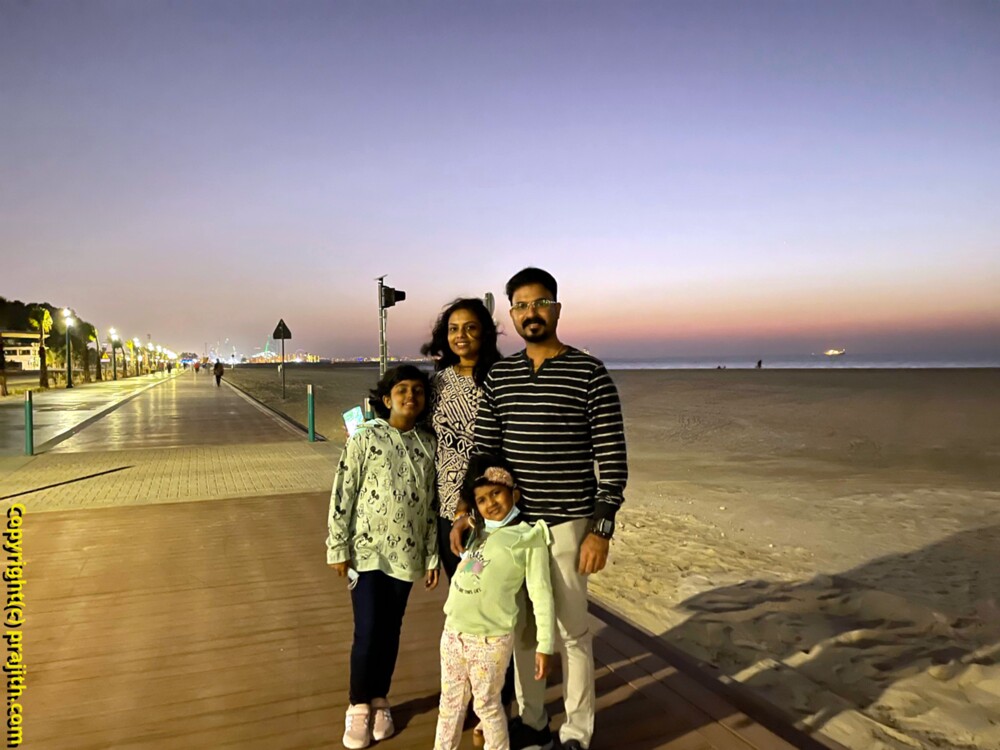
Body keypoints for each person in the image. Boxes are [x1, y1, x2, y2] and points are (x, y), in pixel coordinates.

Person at [452, 267, 628, 750]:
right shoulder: (501, 377)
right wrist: (468, 512)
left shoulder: (590, 374)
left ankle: (577, 733)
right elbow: (484, 453)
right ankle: (533, 722)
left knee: (572, 631)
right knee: (524, 630)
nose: (531, 313)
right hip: (512, 529)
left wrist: (601, 529)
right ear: (512, 315)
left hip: (569, 524)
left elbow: (612, 458)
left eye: (540, 303)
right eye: (522, 305)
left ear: (556, 309)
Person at [326, 365, 440, 750]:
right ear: (387, 399)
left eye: (418, 391)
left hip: (407, 554)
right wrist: (337, 546)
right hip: (366, 553)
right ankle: (358, 703)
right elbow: (343, 491)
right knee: (368, 629)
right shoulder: (365, 437)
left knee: (391, 630)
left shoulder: (428, 445)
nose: (411, 396)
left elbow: (430, 505)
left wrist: (431, 555)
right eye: (402, 390)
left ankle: (380, 698)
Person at [434, 454, 554, 750]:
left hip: (489, 641)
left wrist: (545, 645)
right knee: (449, 705)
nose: (491, 503)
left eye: (496, 493)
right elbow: (475, 572)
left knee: (486, 706)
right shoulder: (479, 532)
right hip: (453, 633)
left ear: (515, 493)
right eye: (482, 499)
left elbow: (541, 594)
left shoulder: (528, 537)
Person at [422, 298, 502, 580]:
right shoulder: (438, 383)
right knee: (461, 588)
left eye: (470, 327)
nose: (461, 335)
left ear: (485, 332)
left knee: (488, 586)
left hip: (491, 505)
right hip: (446, 507)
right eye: (454, 329)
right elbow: (419, 432)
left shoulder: (501, 379)